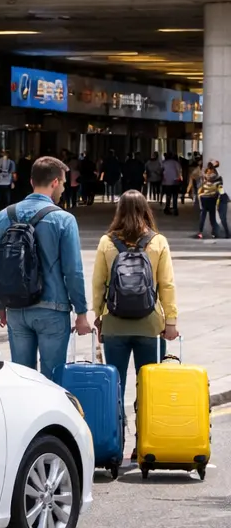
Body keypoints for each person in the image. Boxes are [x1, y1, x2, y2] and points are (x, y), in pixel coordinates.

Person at [0, 155, 92, 384]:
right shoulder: (63, 219)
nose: (64, 189)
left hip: (16, 307)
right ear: (55, 182)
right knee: (52, 380)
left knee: (23, 379)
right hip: (52, 309)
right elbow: (73, 271)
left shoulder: (5, 215)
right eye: (63, 183)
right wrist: (81, 312)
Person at [92, 190, 178, 460]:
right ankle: (145, 446)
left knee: (115, 387)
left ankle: (114, 446)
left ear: (118, 210)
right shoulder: (158, 241)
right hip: (150, 326)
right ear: (145, 210)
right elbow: (167, 285)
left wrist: (99, 316)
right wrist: (171, 321)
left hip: (115, 324)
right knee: (149, 388)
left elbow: (97, 284)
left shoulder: (107, 242)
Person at [196, 161, 223, 239]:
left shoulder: (204, 177)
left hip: (204, 198)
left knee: (203, 216)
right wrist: (221, 196)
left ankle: (200, 232)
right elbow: (220, 189)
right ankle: (214, 233)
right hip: (212, 198)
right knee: (212, 217)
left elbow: (200, 186)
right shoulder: (218, 177)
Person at [160, 151, 182, 217]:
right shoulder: (176, 163)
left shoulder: (164, 163)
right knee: (175, 196)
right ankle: (175, 209)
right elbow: (179, 171)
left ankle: (167, 208)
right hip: (175, 181)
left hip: (167, 182)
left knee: (168, 196)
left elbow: (161, 171)